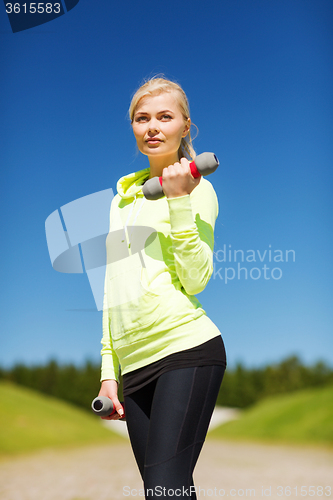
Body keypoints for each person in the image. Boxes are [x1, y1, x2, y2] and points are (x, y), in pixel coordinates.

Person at [98, 76, 227, 499]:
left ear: (184, 127)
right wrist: (108, 374)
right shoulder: (122, 199)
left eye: (164, 117)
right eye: (142, 118)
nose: (152, 126)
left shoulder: (198, 189)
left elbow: (198, 278)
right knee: (170, 492)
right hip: (133, 367)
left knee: (164, 490)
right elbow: (111, 289)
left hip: (184, 350)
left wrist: (178, 200)